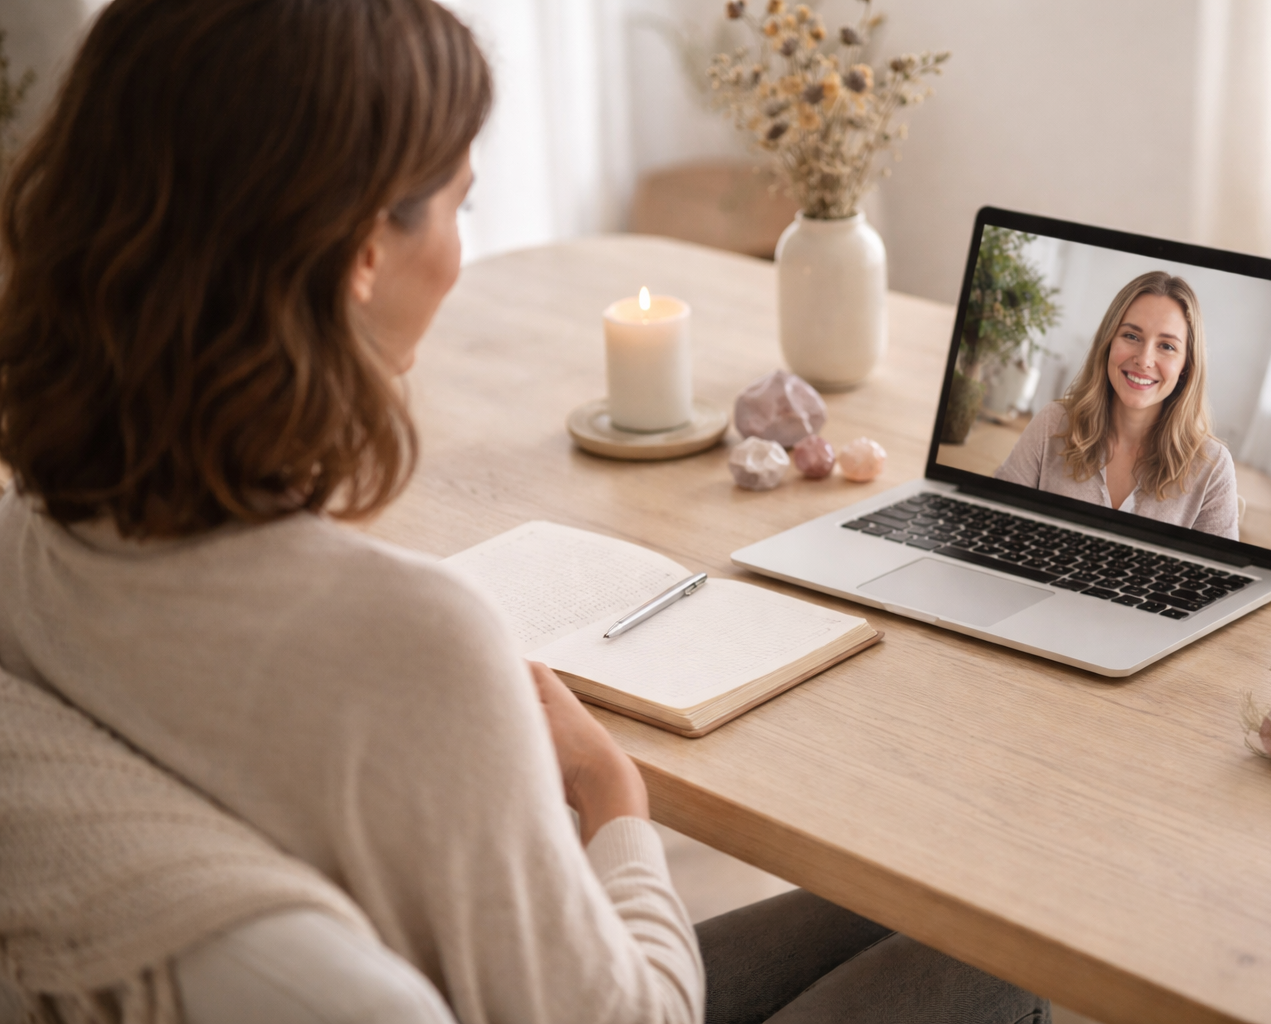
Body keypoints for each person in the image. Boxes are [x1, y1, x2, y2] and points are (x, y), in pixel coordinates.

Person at [0, 2, 1050, 1022]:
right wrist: (611, 798)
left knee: (964, 922)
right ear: (364, 252)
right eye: (458, 203)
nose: (461, 248)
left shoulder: (31, 536)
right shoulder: (407, 646)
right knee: (1018, 958)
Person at [995, 271, 1240, 540]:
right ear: (1108, 342)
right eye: (1131, 336)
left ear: (1186, 366)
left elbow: (1217, 579)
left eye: (1167, 346)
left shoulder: (1213, 466)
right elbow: (995, 521)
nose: (1144, 359)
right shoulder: (1052, 423)